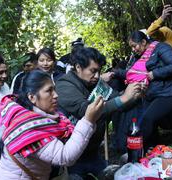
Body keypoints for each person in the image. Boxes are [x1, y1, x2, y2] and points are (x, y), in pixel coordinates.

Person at [0, 70, 104, 180]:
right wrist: (88, 120)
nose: (56, 95)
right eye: (49, 91)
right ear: (32, 97)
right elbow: (64, 156)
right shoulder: (29, 128)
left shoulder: (32, 115)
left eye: (54, 90)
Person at [55, 47, 142, 178]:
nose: (97, 76)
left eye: (99, 71)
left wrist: (136, 94)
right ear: (78, 67)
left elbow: (118, 103)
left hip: (93, 154)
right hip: (71, 160)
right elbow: (87, 111)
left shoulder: (96, 84)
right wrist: (124, 98)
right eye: (93, 71)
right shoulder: (64, 85)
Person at [116, 30, 172, 150]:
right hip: (152, 93)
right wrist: (115, 73)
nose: (133, 49)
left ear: (143, 42)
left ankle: (136, 151)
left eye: (134, 46)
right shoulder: (142, 55)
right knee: (144, 119)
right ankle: (152, 148)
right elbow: (134, 73)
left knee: (147, 119)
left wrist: (155, 74)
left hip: (167, 93)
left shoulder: (161, 48)